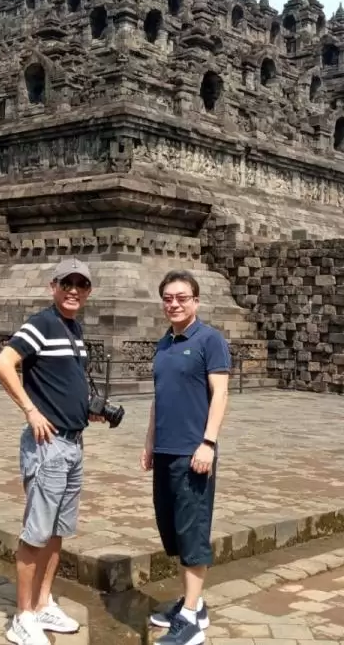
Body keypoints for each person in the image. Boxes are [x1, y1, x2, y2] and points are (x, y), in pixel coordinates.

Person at [0, 258, 103, 645]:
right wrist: (31, 410)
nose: (74, 290)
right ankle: (22, 616)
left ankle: (42, 603)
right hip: (47, 445)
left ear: (88, 291)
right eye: (67, 283)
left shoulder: (74, 328)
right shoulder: (40, 323)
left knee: (57, 532)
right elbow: (3, 363)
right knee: (36, 533)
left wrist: (87, 410)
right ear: (53, 286)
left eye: (82, 285)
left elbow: (61, 382)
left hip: (73, 442)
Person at [142, 270, 231, 645]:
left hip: (194, 454)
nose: (174, 304)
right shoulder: (165, 343)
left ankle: (192, 619)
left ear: (195, 300)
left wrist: (207, 443)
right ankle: (191, 602)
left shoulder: (210, 340)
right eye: (168, 298)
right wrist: (149, 442)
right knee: (174, 531)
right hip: (165, 452)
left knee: (193, 533)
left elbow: (221, 394)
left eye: (181, 297)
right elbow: (159, 397)